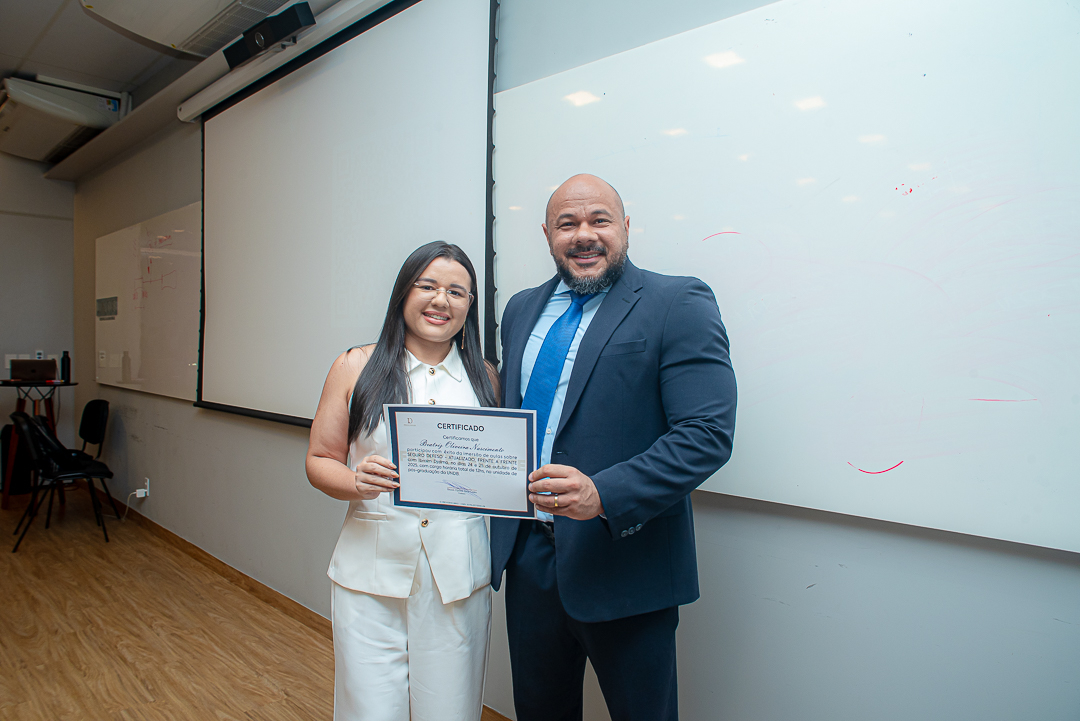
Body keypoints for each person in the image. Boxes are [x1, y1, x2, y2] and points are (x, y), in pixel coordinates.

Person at [490, 175, 737, 721]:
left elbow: (706, 433)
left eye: (599, 220)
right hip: (529, 559)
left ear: (625, 227)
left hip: (625, 561)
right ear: (547, 235)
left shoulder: (678, 301)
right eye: (567, 224)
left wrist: (602, 493)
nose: (584, 234)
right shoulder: (521, 309)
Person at [306, 241, 499, 721]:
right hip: (369, 575)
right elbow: (319, 459)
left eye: (457, 292)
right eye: (427, 286)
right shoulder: (356, 365)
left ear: (470, 305)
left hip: (457, 578)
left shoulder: (485, 378)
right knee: (369, 710)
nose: (441, 301)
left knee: (451, 711)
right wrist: (356, 481)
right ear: (403, 293)